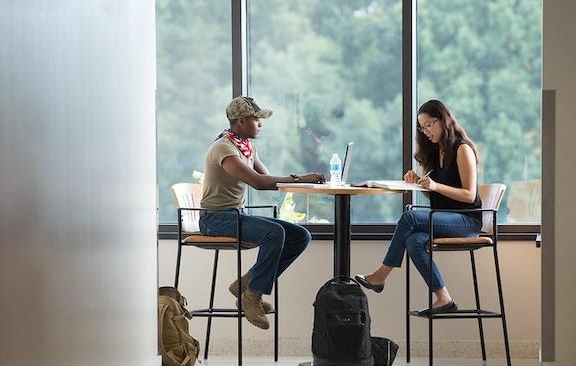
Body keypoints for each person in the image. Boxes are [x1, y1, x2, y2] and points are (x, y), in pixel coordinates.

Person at [199, 96, 325, 329]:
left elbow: (269, 180)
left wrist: (304, 181)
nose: (260, 124)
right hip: (214, 219)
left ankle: (247, 284)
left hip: (235, 215)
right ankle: (252, 295)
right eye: (256, 119)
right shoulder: (224, 148)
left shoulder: (246, 148)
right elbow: (258, 182)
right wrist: (300, 178)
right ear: (241, 121)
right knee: (275, 233)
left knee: (301, 236)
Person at [354, 99, 482, 316]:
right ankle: (444, 297)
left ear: (443, 120)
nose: (425, 132)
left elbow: (469, 195)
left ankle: (381, 275)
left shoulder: (462, 149)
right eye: (422, 128)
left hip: (467, 221)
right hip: (445, 217)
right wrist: (421, 184)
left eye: (429, 125)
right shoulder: (435, 151)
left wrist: (435, 185)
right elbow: (438, 193)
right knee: (414, 240)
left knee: (409, 217)